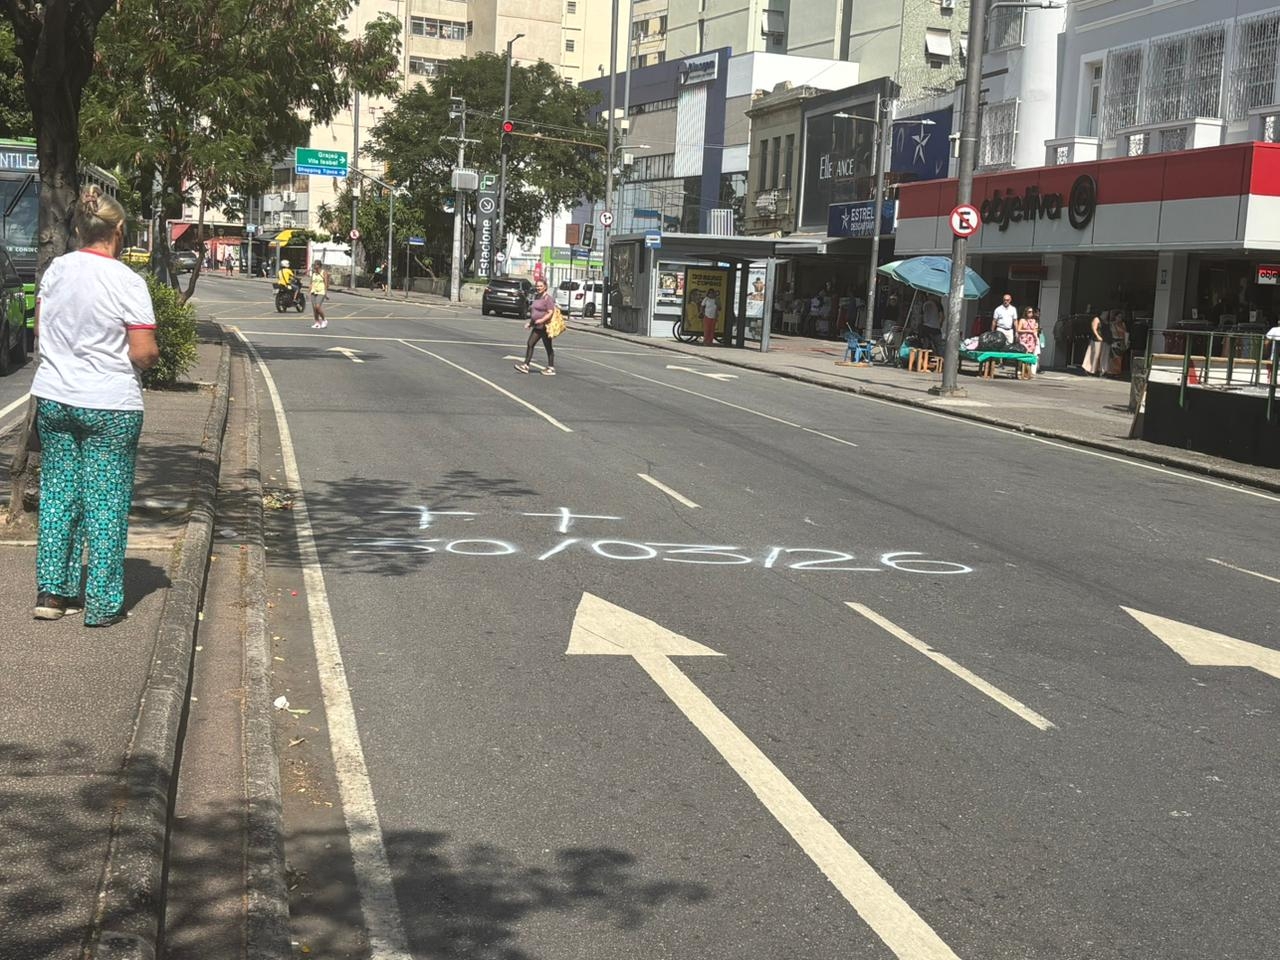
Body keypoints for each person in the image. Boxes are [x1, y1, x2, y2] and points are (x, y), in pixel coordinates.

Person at [31, 185, 159, 626]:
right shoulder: (127, 281)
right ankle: (102, 604)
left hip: (54, 397)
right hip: (110, 404)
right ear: (118, 230)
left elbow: (42, 332)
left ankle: (52, 594)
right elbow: (143, 351)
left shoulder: (55, 271)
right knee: (105, 501)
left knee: (60, 494)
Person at [515, 278, 556, 375]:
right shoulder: (537, 297)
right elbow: (535, 312)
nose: (538, 288)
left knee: (534, 344)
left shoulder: (548, 298)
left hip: (544, 326)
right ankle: (547, 367)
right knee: (538, 344)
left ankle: (528, 365)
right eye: (537, 286)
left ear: (545, 287)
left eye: (541, 286)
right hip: (537, 325)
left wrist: (542, 320)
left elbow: (550, 312)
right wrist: (531, 323)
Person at [1081, 311, 1106, 375]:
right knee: (1095, 355)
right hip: (1096, 340)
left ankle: (1095, 369)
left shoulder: (1103, 320)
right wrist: (1098, 336)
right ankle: (1090, 369)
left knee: (1098, 356)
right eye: (1105, 313)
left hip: (1101, 340)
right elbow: (1094, 328)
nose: (1106, 314)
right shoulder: (1096, 319)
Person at [309, 260, 330, 329]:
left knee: (317, 306)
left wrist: (326, 293)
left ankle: (324, 320)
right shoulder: (313, 274)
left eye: (315, 265)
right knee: (314, 308)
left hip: (321, 292)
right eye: (314, 265)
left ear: (319, 265)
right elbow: (311, 283)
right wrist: (309, 292)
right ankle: (317, 322)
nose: (314, 267)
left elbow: (326, 284)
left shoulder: (324, 273)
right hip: (313, 292)